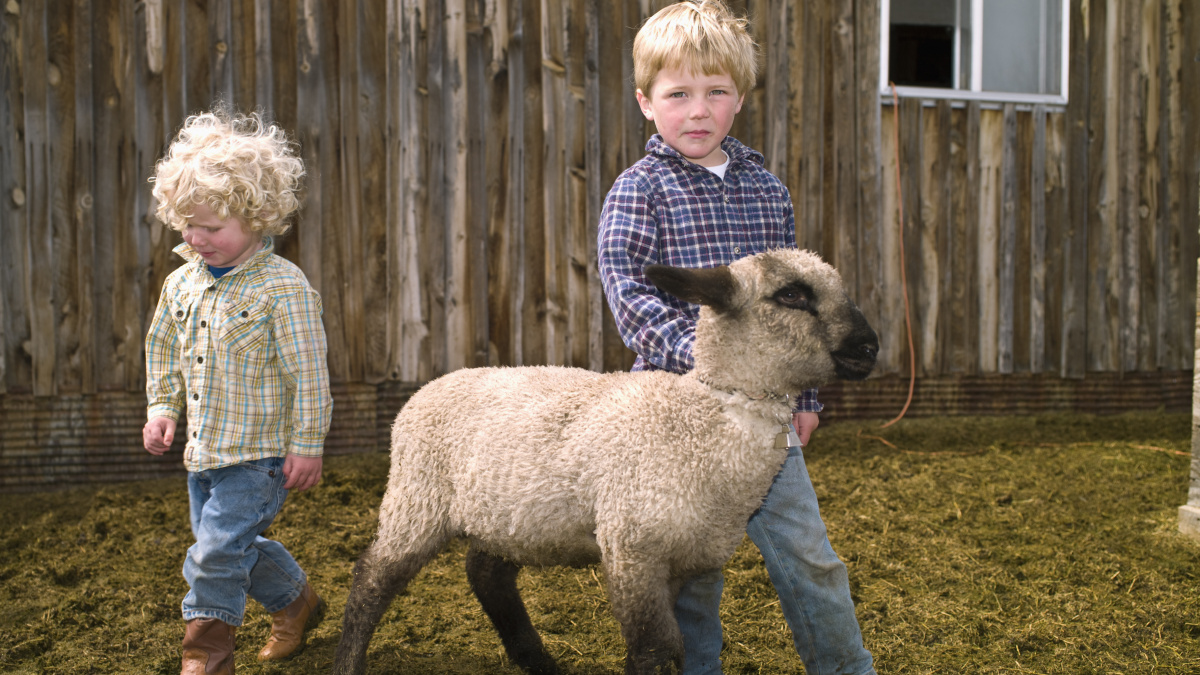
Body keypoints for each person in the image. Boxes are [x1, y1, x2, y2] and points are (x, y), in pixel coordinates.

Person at [597, 2, 876, 673]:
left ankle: (846, 667)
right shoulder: (640, 191)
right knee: (690, 577)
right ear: (645, 102)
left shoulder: (767, 191)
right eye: (678, 94)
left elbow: (797, 310)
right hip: (677, 422)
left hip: (766, 421)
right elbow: (629, 295)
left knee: (810, 557)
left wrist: (806, 396)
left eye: (716, 92)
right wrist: (713, 359)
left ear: (740, 99)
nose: (698, 110)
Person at [142, 109, 332, 675]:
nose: (197, 239)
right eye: (187, 225)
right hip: (203, 453)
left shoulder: (283, 288)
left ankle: (205, 656)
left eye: (212, 228)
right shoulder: (181, 284)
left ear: (256, 216)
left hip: (259, 457)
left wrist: (308, 443)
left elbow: (309, 373)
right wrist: (162, 406)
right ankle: (298, 604)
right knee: (231, 550)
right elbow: (161, 348)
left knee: (215, 554)